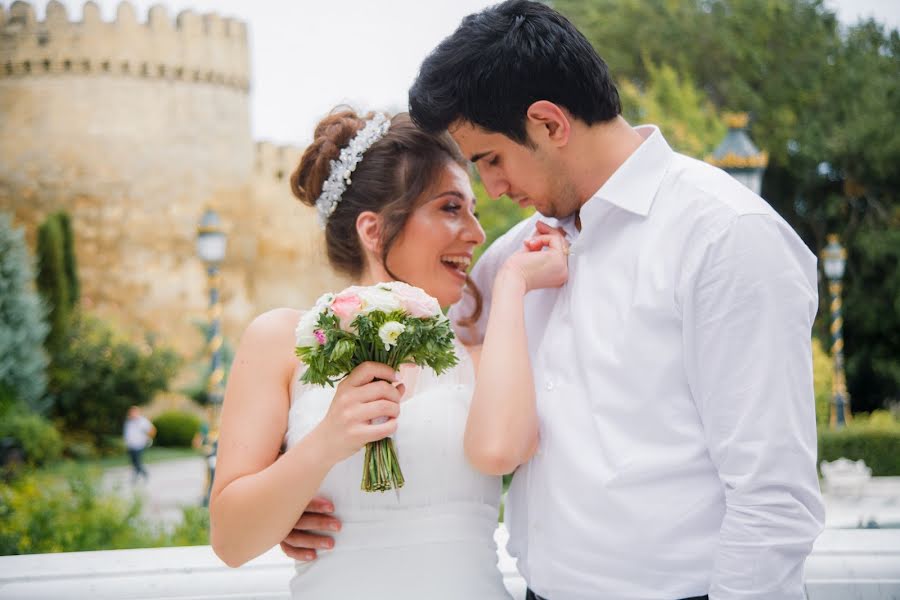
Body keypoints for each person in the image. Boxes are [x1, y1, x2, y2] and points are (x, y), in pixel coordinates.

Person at [286, 2, 826, 599]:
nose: (489, 190)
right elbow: (431, 391)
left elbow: (773, 498)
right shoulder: (507, 262)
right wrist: (310, 507)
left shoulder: (725, 237)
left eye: (490, 159)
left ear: (548, 123)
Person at [208, 109, 563, 599]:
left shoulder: (482, 358)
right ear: (374, 231)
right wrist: (325, 443)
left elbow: (503, 449)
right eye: (450, 208)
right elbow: (230, 541)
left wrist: (512, 284)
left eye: (474, 211)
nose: (477, 234)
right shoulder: (280, 342)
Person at [123, 405, 155, 484]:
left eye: (134, 412)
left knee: (137, 462)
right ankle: (137, 475)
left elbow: (152, 430)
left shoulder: (142, 421)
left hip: (139, 444)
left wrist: (148, 439)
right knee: (134, 462)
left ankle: (144, 475)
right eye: (131, 412)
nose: (132, 413)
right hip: (131, 445)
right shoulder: (129, 422)